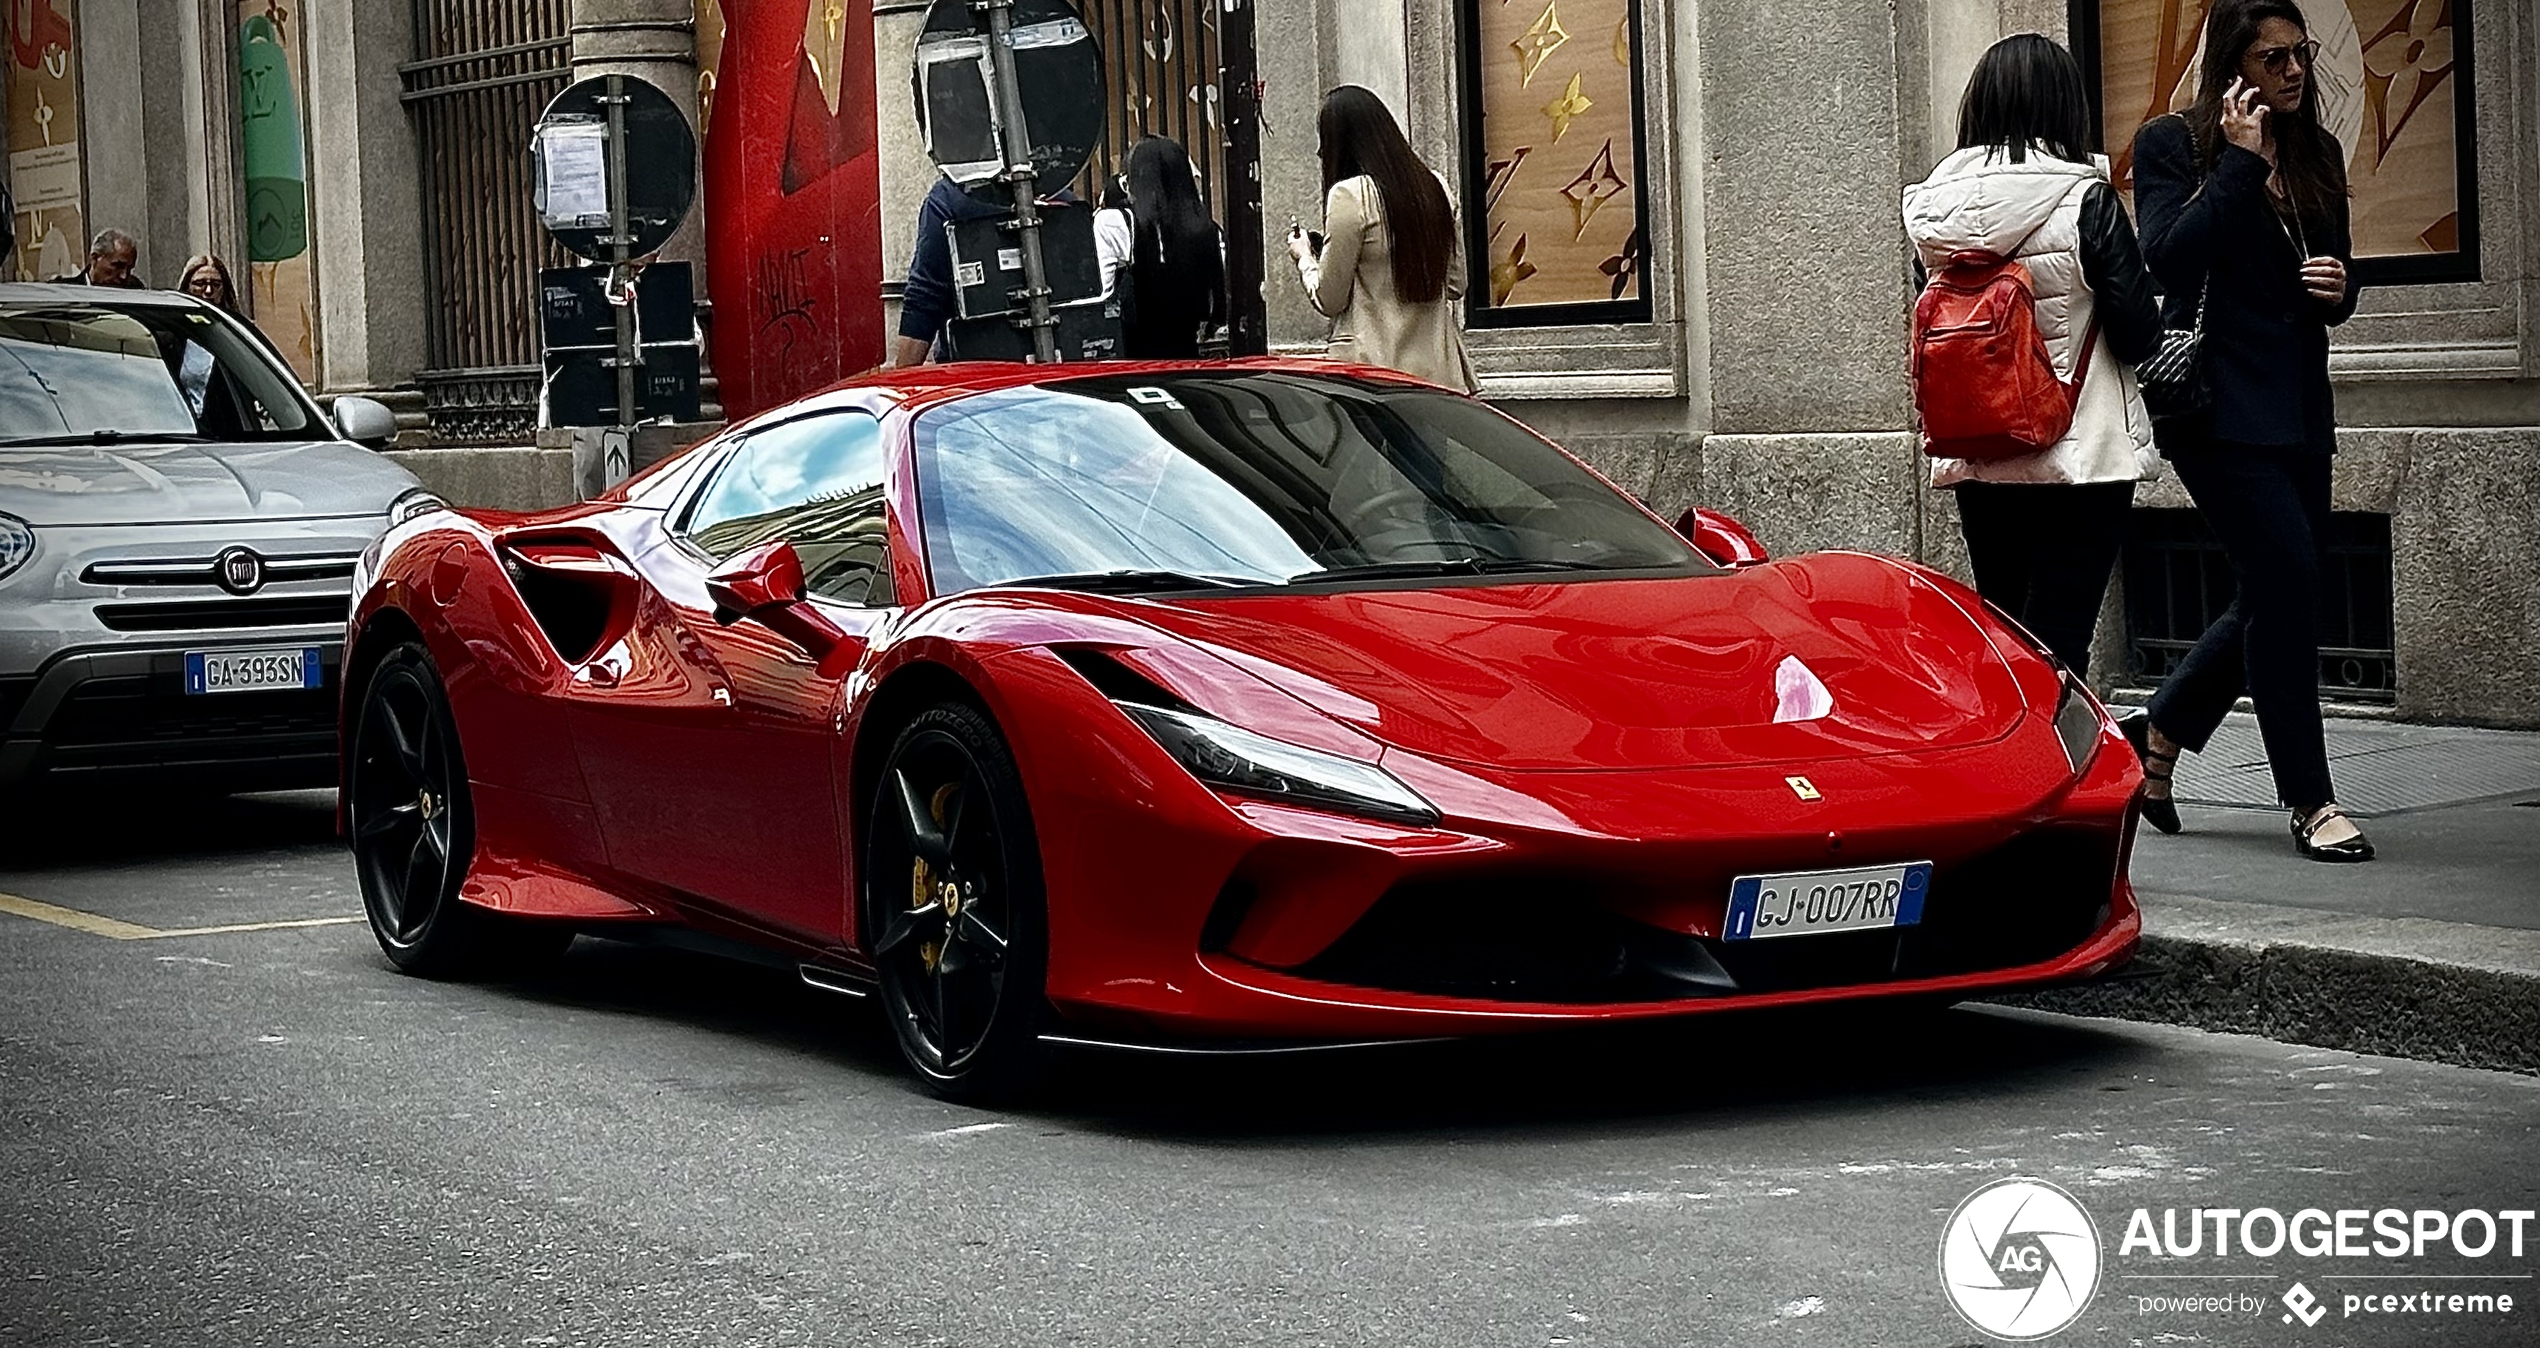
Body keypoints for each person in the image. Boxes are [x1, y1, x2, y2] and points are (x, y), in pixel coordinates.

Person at [2124, 0, 2368, 862]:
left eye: (2300, 55)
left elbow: (2336, 274)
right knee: (2291, 581)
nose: (2294, 71)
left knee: (2278, 586)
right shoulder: (2171, 146)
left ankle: (2161, 727)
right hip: (2215, 408)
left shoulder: (2319, 154)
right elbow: (2167, 258)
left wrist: (2343, 288)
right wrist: (2234, 165)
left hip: (2299, 405)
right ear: (2233, 67)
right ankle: (2311, 801)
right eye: (2273, 59)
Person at [1902, 34, 2163, 676]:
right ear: (2064, 108)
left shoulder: (1934, 212)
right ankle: (2061, 773)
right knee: (2063, 646)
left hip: (1981, 447)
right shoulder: (2087, 200)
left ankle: (2013, 767)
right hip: (2083, 454)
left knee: (2011, 642)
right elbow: (2138, 334)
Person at [1285, 85, 1475, 392]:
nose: (1320, 151)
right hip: (1438, 377)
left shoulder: (1349, 196)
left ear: (1340, 143)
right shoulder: (1436, 186)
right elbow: (1456, 285)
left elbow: (1329, 298)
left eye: (1324, 140)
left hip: (1373, 377)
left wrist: (1305, 256)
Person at [1112, 135, 1226, 359]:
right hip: (1187, 350)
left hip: (1133, 356)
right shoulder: (1205, 228)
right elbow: (1216, 298)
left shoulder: (1120, 222)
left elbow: (1102, 293)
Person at [54, 228, 143, 288]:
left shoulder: (135, 287)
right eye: (117, 266)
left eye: (129, 269)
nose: (123, 276)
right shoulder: (64, 290)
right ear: (95, 258)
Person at [178, 253, 246, 318]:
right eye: (200, 284)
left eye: (216, 284)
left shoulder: (238, 328)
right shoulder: (170, 326)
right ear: (187, 287)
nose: (208, 291)